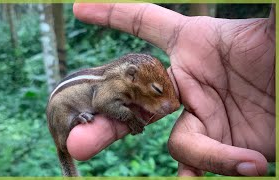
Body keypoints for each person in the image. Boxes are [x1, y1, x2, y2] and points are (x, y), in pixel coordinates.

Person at [66, 3, 275, 176]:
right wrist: (130, 117)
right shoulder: (115, 85)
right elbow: (102, 102)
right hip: (70, 108)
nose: (175, 104)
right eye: (157, 90)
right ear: (131, 76)